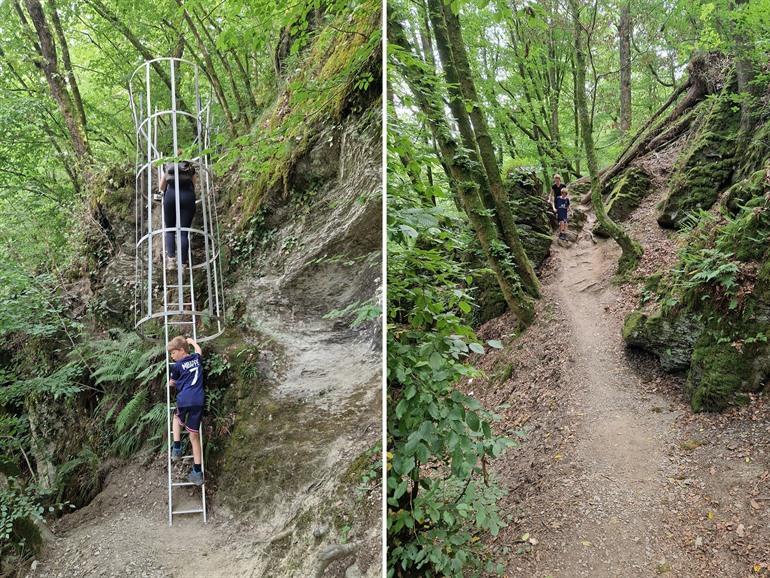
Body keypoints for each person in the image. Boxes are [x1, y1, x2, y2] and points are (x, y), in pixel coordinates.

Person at [167, 335, 205, 486]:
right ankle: (197, 472)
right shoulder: (197, 359)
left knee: (176, 419)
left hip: (184, 399)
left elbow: (172, 383)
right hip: (198, 400)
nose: (172, 356)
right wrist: (192, 341)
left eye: (173, 353)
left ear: (181, 350)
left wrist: (170, 383)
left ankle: (176, 447)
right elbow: (199, 350)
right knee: (194, 435)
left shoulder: (176, 366)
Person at [159, 151, 196, 270]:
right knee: (183, 232)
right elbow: (194, 184)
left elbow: (161, 186)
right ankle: (183, 263)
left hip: (171, 195)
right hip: (187, 196)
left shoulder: (168, 166)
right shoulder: (190, 167)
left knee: (170, 229)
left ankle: (171, 260)